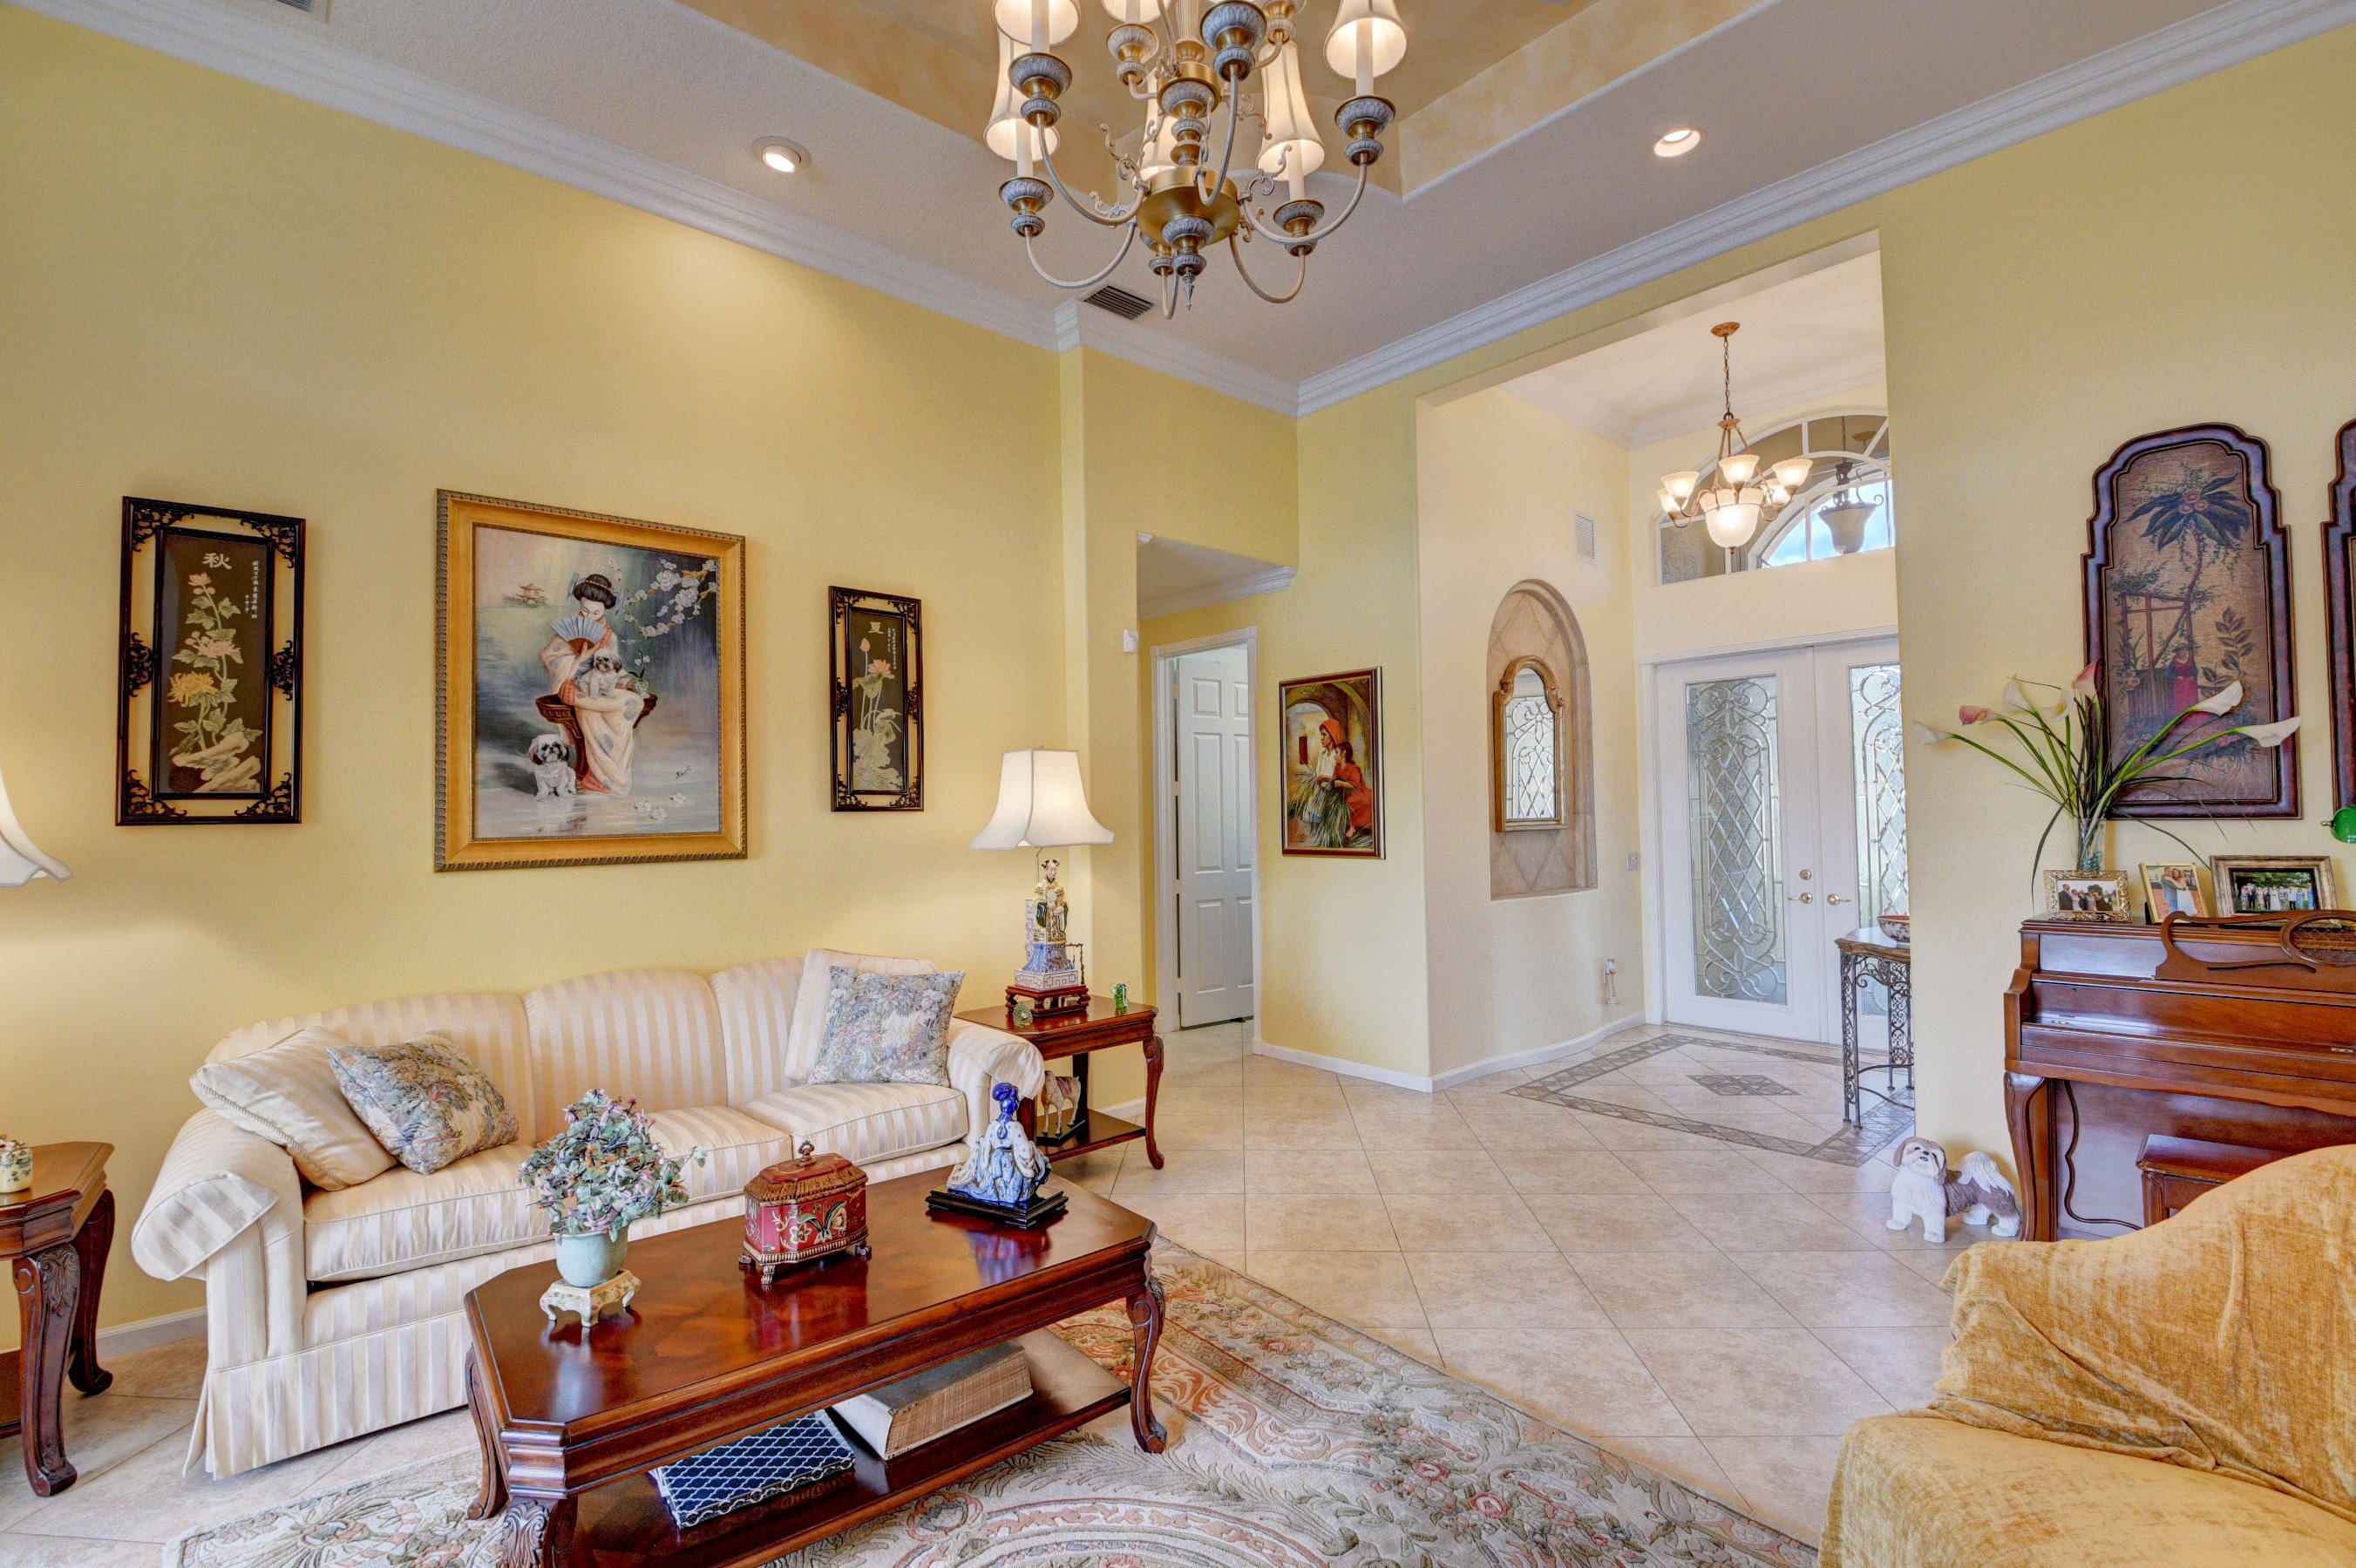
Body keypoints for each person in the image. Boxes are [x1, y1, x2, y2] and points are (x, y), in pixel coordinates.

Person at [540, 575, 642, 796]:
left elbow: (615, 667)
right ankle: (597, 777)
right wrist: (577, 660)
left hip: (601, 685)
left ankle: (612, 774)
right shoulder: (568, 630)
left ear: (605, 610)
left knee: (634, 702)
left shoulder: (609, 636)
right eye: (585, 610)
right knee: (590, 716)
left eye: (596, 613)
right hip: (572, 686)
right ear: (580, 605)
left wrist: (626, 680)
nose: (589, 616)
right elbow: (548, 656)